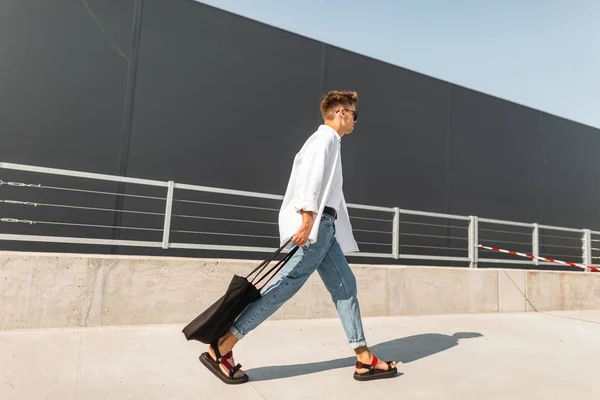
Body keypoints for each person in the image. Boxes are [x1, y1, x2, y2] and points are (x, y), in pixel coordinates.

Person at [200, 91, 398, 384]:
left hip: (325, 228)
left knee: (345, 286)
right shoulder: (326, 138)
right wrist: (307, 218)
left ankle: (363, 357)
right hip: (317, 226)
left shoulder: (330, 141)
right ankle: (223, 345)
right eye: (355, 115)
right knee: (283, 287)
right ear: (342, 112)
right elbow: (312, 178)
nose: (356, 121)